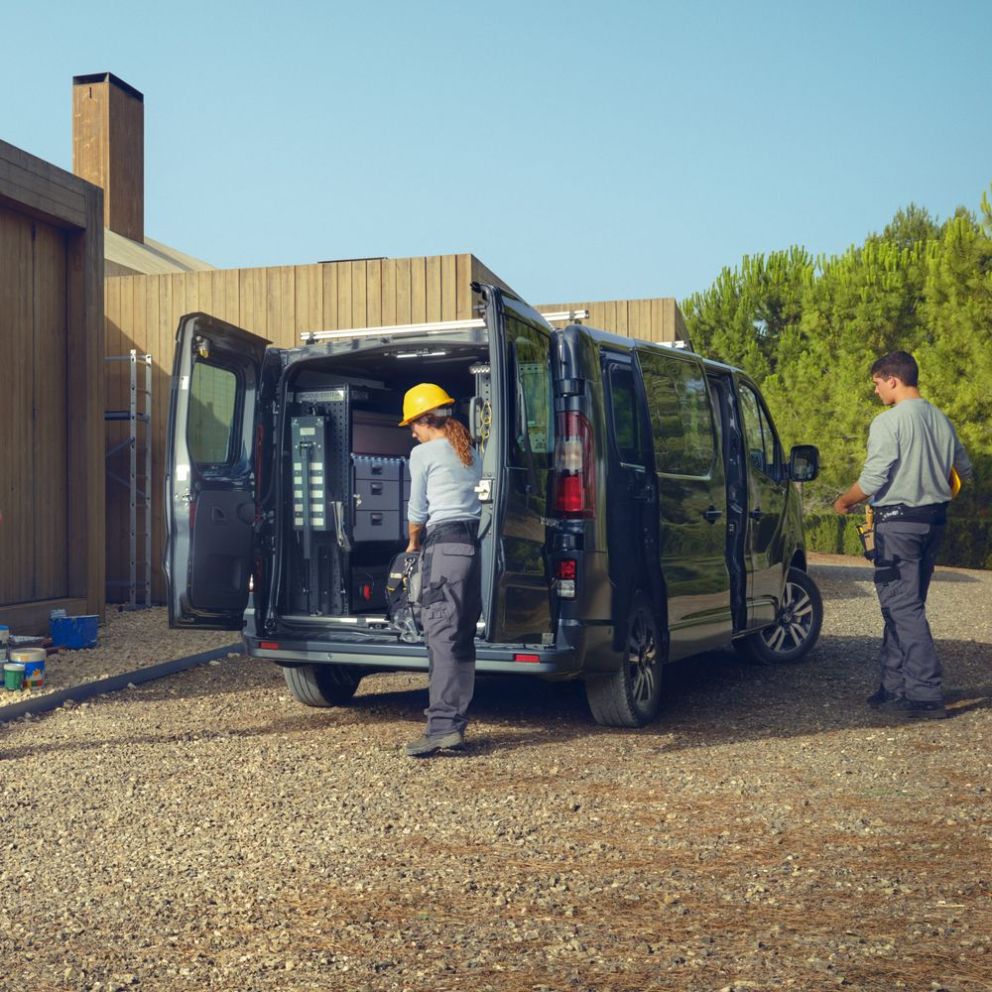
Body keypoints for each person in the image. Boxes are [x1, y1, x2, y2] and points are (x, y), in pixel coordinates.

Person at [833, 351, 973, 720]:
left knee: (901, 605)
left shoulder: (888, 423)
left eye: (877, 383)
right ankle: (893, 687)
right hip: (934, 522)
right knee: (907, 605)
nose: (876, 391)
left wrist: (844, 501)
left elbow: (874, 479)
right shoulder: (943, 420)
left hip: (897, 525)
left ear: (892, 379)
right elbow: (965, 471)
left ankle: (926, 693)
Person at [398, 383, 483, 757]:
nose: (412, 432)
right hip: (474, 548)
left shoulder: (424, 453)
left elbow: (417, 512)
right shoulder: (470, 449)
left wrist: (413, 542)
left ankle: (443, 729)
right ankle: (453, 724)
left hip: (445, 548)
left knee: (441, 637)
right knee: (461, 638)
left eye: (412, 425)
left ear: (425, 420)